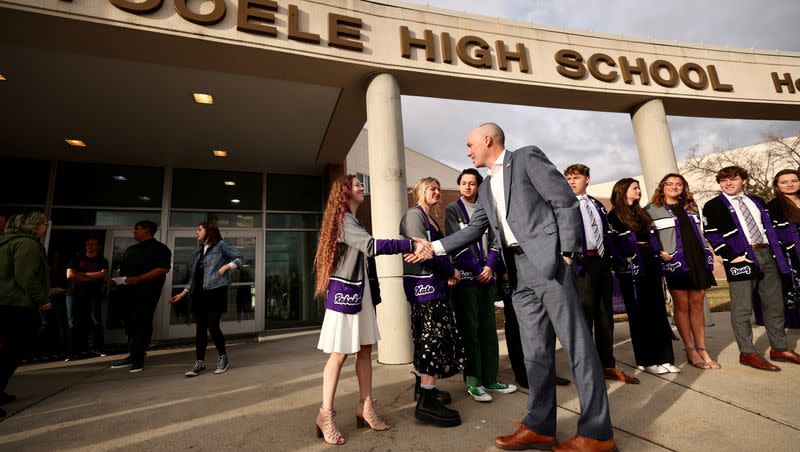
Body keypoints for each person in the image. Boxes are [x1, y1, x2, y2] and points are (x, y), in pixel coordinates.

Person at [434, 123, 615, 452]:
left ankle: (597, 433)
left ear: (488, 140)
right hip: (516, 272)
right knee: (534, 354)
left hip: (550, 264)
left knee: (578, 348)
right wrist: (432, 248)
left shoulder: (527, 158)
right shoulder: (487, 189)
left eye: (470, 144)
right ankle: (540, 427)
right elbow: (475, 229)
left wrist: (568, 254)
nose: (467, 151)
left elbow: (564, 202)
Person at [313, 175, 429, 445]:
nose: (361, 187)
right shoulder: (343, 219)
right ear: (344, 192)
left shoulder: (354, 219)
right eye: (356, 185)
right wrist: (408, 243)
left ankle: (365, 406)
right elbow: (370, 245)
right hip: (345, 294)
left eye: (361, 184)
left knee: (365, 350)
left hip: (361, 293)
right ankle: (325, 414)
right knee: (339, 355)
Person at [703, 166, 800, 370]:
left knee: (775, 304)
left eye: (733, 179)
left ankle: (779, 348)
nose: (728, 183)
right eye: (723, 180)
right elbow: (712, 234)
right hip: (741, 258)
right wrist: (731, 256)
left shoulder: (756, 201)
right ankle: (747, 353)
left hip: (768, 254)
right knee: (742, 308)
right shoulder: (713, 205)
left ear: (744, 180)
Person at [445, 168, 516, 402]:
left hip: (487, 277)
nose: (467, 187)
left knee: (488, 329)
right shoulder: (452, 210)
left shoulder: (487, 208)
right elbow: (458, 245)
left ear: (478, 186)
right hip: (467, 278)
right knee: (471, 331)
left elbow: (496, 241)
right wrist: (478, 269)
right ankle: (474, 382)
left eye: (472, 183)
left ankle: (490, 378)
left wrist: (489, 267)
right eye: (463, 183)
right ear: (459, 186)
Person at [565, 164, 640, 384]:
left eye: (576, 177)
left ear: (587, 179)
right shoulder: (563, 205)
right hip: (581, 264)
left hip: (602, 262)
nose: (571, 181)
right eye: (568, 178)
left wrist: (615, 259)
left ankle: (608, 364)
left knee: (605, 316)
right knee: (585, 317)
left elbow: (606, 235)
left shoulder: (596, 204)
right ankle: (588, 370)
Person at [401, 177, 464, 428]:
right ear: (419, 191)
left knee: (427, 339)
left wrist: (446, 273)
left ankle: (424, 388)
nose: (437, 191)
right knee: (431, 340)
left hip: (432, 285)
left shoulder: (429, 218)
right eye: (431, 188)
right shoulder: (415, 217)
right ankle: (427, 402)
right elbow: (424, 253)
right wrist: (451, 271)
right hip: (424, 288)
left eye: (439, 188)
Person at [645, 174, 719, 370]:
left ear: (684, 187)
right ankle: (690, 349)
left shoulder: (691, 207)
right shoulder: (651, 210)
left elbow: (702, 231)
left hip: (697, 258)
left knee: (697, 303)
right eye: (669, 184)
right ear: (662, 187)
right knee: (682, 305)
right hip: (676, 262)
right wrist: (659, 251)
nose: (674, 187)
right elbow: (646, 235)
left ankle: (702, 348)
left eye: (678, 184)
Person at [607, 179, 678, 376]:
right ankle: (646, 360)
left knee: (657, 311)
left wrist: (659, 253)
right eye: (634, 188)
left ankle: (665, 358)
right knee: (640, 314)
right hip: (631, 268)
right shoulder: (613, 216)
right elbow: (613, 246)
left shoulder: (641, 212)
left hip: (651, 263)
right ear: (623, 191)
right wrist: (625, 263)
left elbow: (652, 238)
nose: (638, 191)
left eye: (638, 188)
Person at [169, 222, 245, 377]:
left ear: (209, 231)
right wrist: (183, 293)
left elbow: (240, 257)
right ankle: (200, 363)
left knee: (213, 326)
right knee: (200, 329)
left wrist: (226, 267)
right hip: (199, 293)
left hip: (216, 291)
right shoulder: (197, 252)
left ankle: (223, 357)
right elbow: (194, 277)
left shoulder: (221, 246)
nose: (196, 232)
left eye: (199, 230)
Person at [0, 211, 52, 418]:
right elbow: (25, 275)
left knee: (7, 349)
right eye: (43, 224)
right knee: (12, 351)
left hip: (4, 304)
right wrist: (43, 299)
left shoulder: (5, 242)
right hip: (15, 305)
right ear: (34, 225)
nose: (46, 227)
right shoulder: (27, 244)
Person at [109, 220, 171, 373]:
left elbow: (163, 269)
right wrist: (116, 278)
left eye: (137, 229)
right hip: (126, 293)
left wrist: (139, 278)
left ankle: (138, 358)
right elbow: (121, 268)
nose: (134, 232)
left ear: (147, 230)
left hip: (146, 294)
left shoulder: (160, 249)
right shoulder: (131, 249)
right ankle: (132, 354)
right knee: (129, 323)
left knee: (142, 323)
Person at [765, 169, 800, 329]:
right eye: (784, 182)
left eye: (794, 180)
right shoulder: (773, 206)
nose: (790, 184)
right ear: (777, 185)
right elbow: (772, 236)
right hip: (793, 258)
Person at [65, 237, 109, 360]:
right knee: (72, 323)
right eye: (87, 243)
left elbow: (103, 274)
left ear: (98, 246)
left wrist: (80, 274)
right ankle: (72, 352)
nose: (89, 246)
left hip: (93, 294)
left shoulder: (102, 260)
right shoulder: (77, 257)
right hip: (74, 294)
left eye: (93, 244)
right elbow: (70, 274)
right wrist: (90, 278)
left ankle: (97, 348)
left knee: (95, 321)